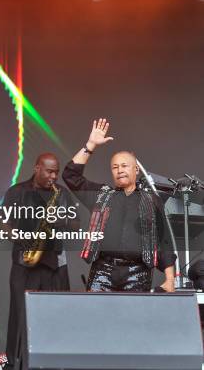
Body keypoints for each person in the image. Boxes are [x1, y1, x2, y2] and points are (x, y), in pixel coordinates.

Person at [62, 118, 176, 292]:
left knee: (132, 318)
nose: (120, 170)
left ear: (136, 170)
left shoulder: (151, 200)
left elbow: (164, 241)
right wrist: (90, 144)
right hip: (103, 270)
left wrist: (169, 280)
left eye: (124, 165)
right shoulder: (102, 195)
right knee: (96, 316)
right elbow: (71, 176)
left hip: (138, 272)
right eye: (115, 167)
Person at [3, 153, 76, 369]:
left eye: (56, 171)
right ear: (37, 168)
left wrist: (60, 219)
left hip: (55, 266)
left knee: (57, 318)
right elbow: (4, 225)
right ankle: (18, 364)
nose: (54, 176)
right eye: (49, 171)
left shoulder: (61, 194)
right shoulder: (17, 191)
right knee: (20, 319)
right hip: (24, 266)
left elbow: (76, 225)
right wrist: (24, 238)